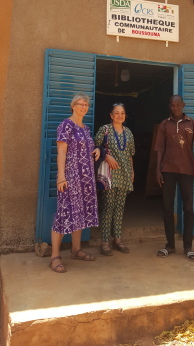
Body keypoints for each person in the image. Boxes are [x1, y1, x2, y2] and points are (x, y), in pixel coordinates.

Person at [49, 93, 100, 273]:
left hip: (85, 179)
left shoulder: (85, 128)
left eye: (86, 105)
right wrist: (61, 176)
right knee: (64, 214)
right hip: (70, 178)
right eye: (81, 104)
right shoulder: (66, 125)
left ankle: (76, 250)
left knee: (80, 214)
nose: (84, 107)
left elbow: (86, 147)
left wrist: (96, 149)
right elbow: (61, 152)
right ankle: (55, 256)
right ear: (73, 106)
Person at [154, 95, 194, 261]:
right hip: (168, 170)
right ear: (169, 107)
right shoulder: (164, 124)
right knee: (167, 207)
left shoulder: (191, 124)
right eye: (172, 105)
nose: (175, 108)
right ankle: (170, 245)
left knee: (188, 209)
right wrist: (158, 170)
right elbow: (160, 149)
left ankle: (188, 247)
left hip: (187, 171)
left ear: (183, 105)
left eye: (178, 105)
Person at [95, 103, 135, 256]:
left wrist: (132, 171)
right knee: (108, 207)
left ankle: (117, 240)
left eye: (122, 113)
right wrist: (106, 155)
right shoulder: (104, 130)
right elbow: (96, 146)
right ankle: (105, 242)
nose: (120, 116)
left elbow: (130, 154)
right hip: (110, 176)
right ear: (111, 115)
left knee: (120, 208)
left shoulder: (129, 133)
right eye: (116, 113)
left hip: (124, 175)